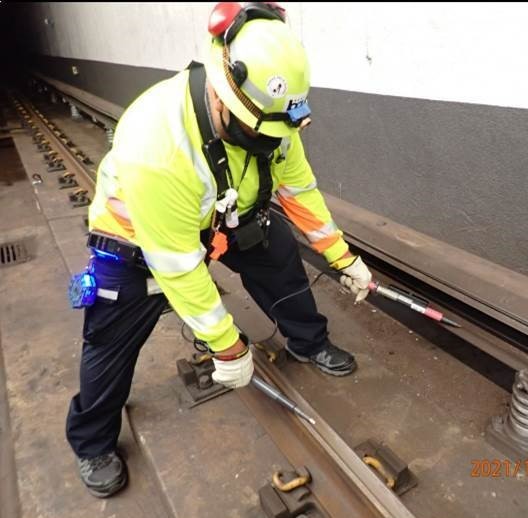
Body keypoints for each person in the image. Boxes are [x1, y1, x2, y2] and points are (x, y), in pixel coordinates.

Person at [65, 1, 372, 498]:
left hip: (223, 219)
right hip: (137, 242)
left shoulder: (272, 122)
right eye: (260, 132)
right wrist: (227, 346)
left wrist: (344, 259)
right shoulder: (157, 144)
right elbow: (177, 266)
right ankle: (91, 439)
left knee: (279, 257)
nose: (271, 141)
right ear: (224, 94)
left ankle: (308, 340)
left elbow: (299, 193)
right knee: (108, 338)